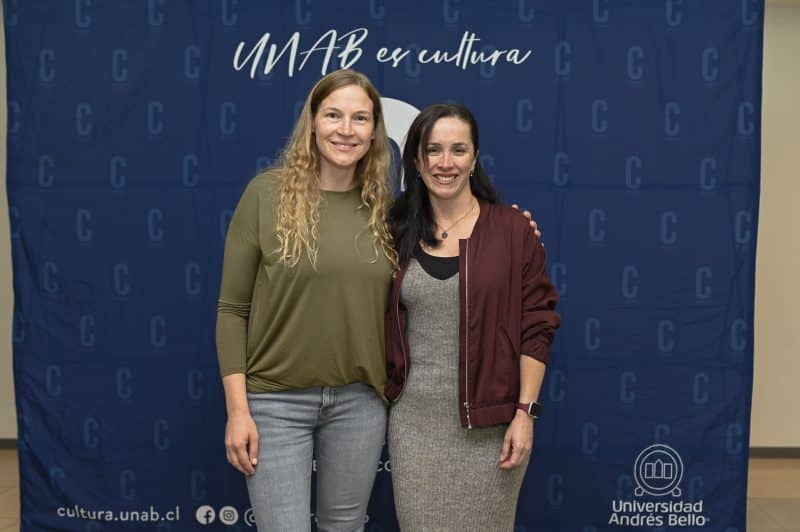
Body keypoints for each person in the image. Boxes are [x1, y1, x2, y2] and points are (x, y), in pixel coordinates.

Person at [215, 69, 396, 532]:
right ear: (312, 122)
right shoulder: (265, 194)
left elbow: (452, 241)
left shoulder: (387, 210)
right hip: (274, 403)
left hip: (359, 402)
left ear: (374, 131)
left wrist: (515, 229)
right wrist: (238, 410)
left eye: (360, 118)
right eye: (333, 115)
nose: (346, 129)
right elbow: (232, 310)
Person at [385, 103, 560, 531]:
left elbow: (537, 325)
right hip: (414, 427)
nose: (445, 162)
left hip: (491, 428)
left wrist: (525, 413)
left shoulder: (512, 231)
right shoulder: (392, 230)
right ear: (416, 160)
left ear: (474, 157)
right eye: (433, 150)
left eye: (458, 150)